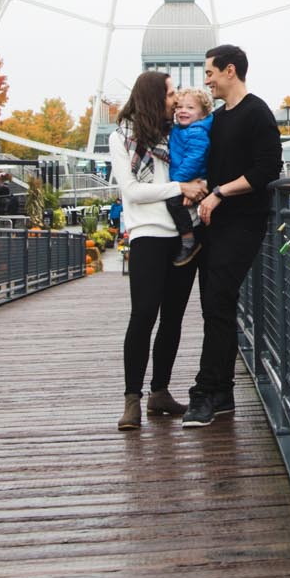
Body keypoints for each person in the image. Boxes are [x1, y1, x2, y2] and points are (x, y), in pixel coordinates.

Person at [172, 43, 283, 428]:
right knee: (215, 308)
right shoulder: (218, 120)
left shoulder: (257, 113)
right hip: (215, 225)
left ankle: (205, 393)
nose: (207, 80)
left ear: (230, 70)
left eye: (210, 73)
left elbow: (268, 168)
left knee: (218, 302)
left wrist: (221, 192)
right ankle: (221, 395)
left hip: (244, 224)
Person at [111, 70, 193, 431]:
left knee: (173, 318)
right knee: (143, 316)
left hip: (182, 234)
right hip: (146, 235)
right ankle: (132, 399)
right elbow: (132, 191)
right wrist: (180, 187)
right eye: (170, 93)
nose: (175, 99)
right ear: (152, 96)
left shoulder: (178, 135)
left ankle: (160, 391)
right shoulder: (121, 139)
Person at [165, 87, 214, 268]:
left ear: (202, 115)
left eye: (190, 108)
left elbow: (194, 158)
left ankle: (188, 239)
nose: (183, 111)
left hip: (190, 176)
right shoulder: (179, 129)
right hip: (184, 178)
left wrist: (177, 182)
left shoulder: (196, 132)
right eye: (179, 107)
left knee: (173, 201)